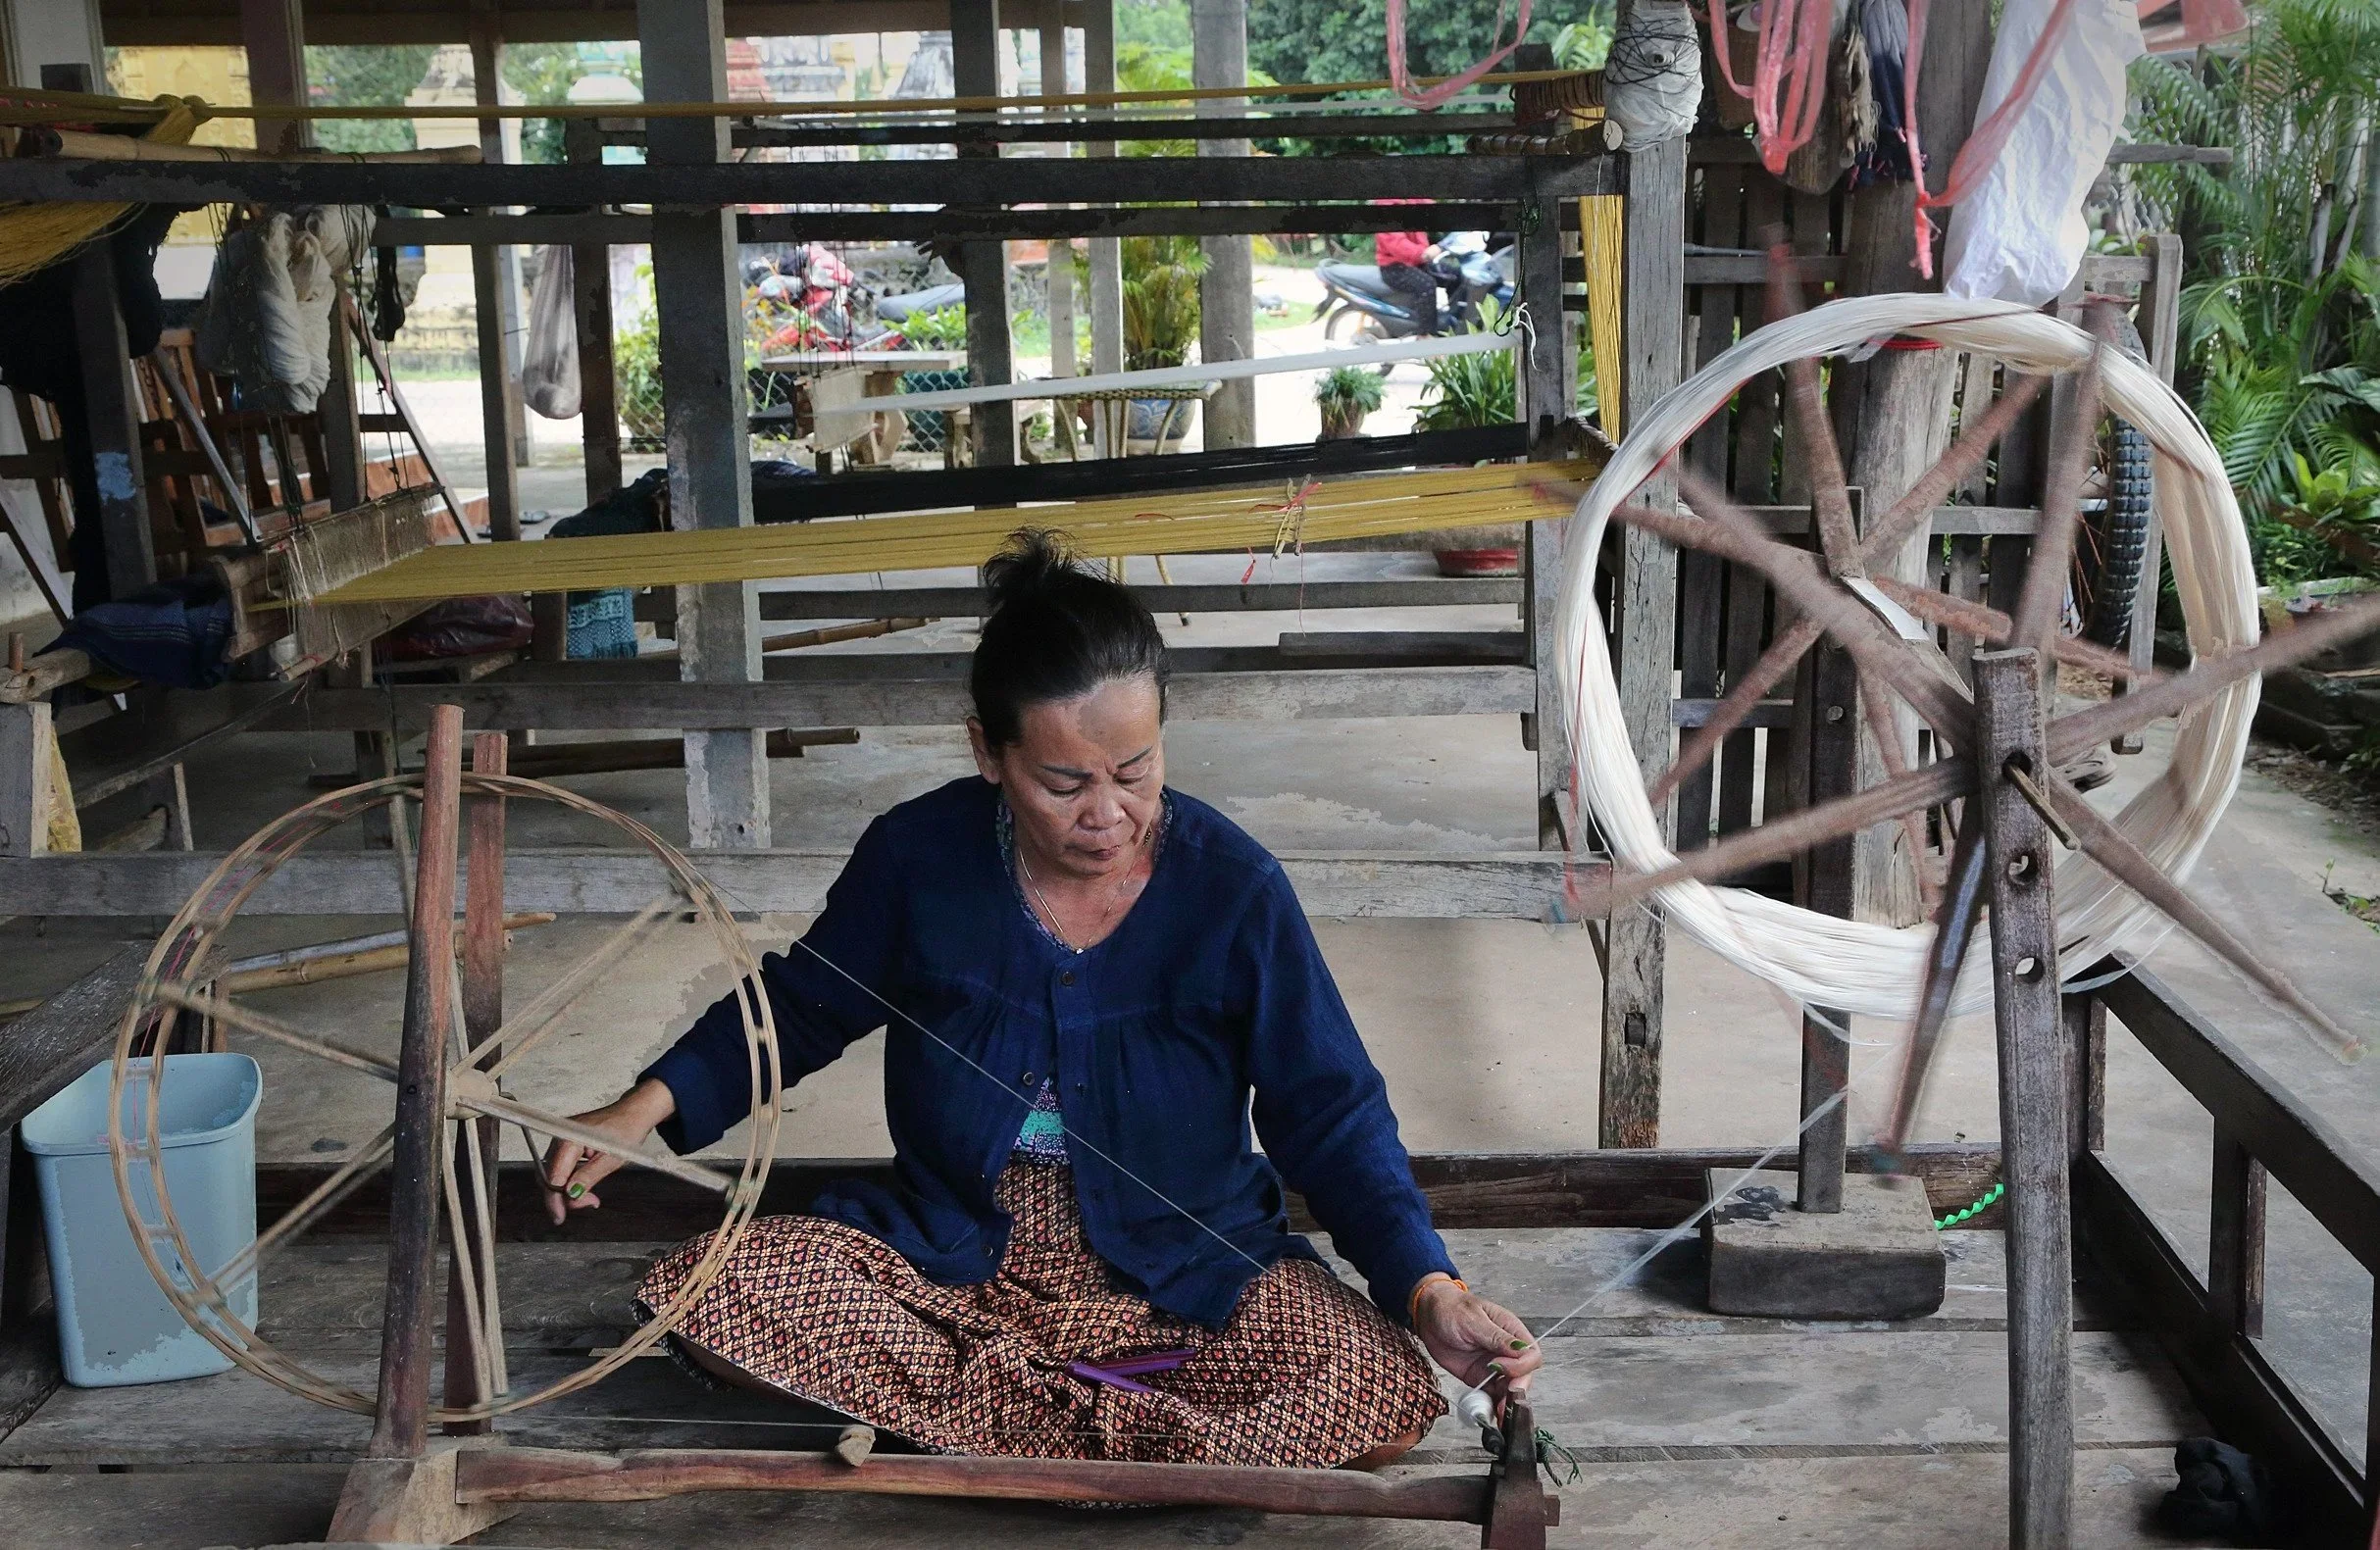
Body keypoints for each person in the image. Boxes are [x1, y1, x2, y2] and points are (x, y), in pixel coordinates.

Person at [540, 530, 1542, 1469]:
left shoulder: (1233, 888)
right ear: (989, 753)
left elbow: (1329, 1110)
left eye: (1135, 771)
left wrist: (1428, 1288)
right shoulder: (917, 857)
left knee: (1371, 1389)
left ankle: (1001, 1427)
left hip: (1180, 1275)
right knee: (712, 1291)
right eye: (1064, 783)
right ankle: (1134, 1444)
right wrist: (647, 1103)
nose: (1108, 814)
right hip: (952, 1265)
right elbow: (802, 1007)